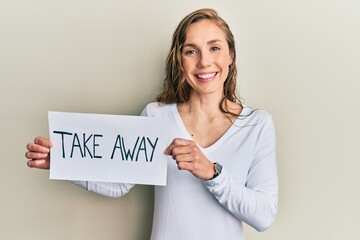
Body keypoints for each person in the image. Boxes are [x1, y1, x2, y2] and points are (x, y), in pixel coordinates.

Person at [25, 8, 278, 240]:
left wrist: (213, 173)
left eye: (214, 48)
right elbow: (119, 185)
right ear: (180, 60)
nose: (204, 61)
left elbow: (264, 216)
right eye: (191, 51)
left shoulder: (257, 125)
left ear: (230, 55)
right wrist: (64, 162)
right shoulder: (157, 117)